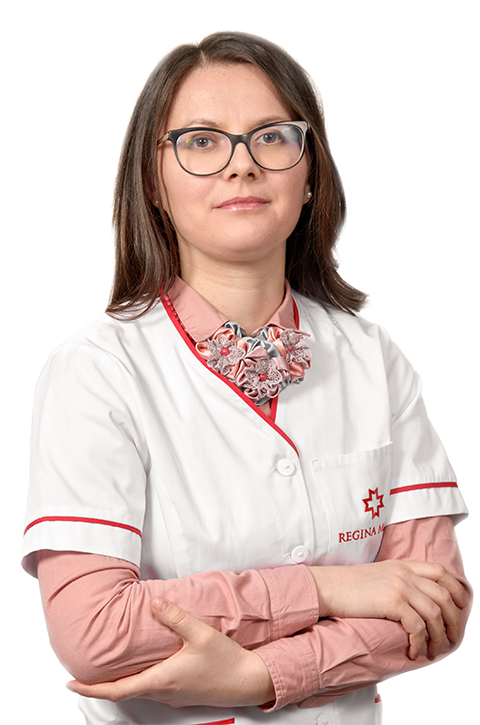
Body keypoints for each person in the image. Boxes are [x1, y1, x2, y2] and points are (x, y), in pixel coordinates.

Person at [22, 30, 472, 725]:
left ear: (310, 172)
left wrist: (259, 675)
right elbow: (94, 630)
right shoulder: (96, 371)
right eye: (201, 142)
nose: (241, 166)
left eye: (272, 137)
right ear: (153, 181)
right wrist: (329, 588)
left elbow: (438, 605)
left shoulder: (373, 359)